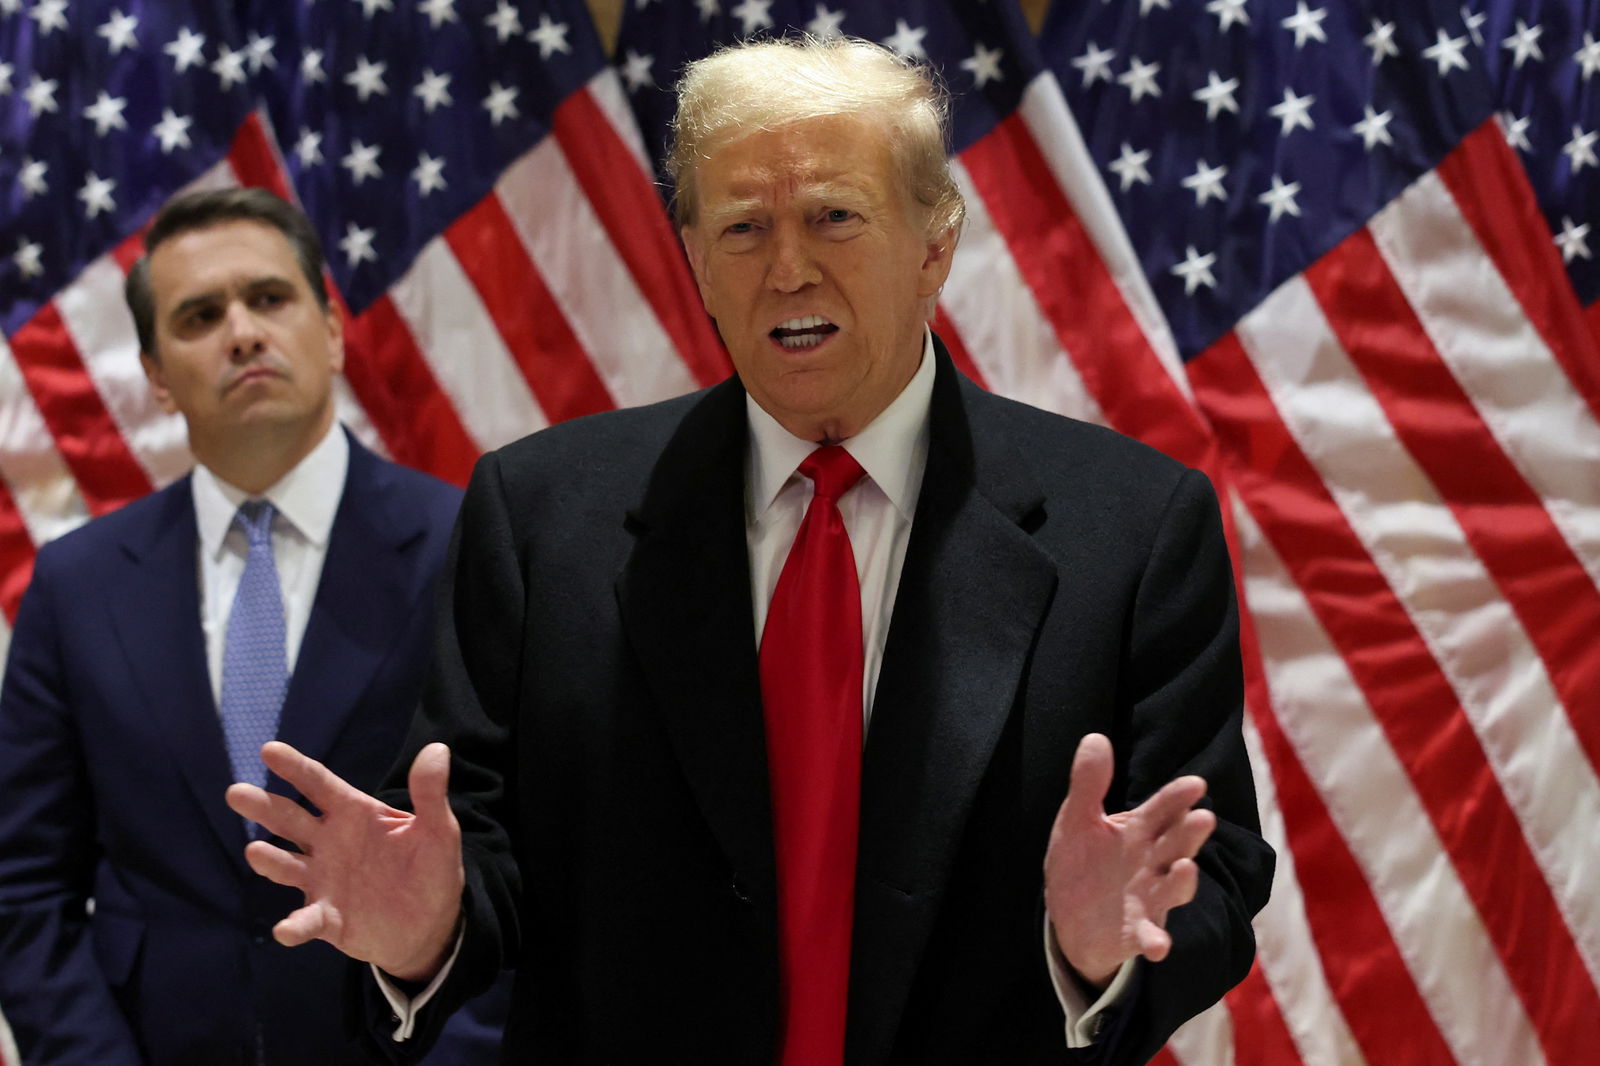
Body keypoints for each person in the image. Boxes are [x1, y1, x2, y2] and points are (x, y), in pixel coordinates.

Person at [229, 38, 1274, 1066]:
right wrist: (425, 934)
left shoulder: (1134, 526)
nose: (785, 268)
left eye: (833, 217)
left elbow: (1212, 867)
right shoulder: (541, 513)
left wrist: (1102, 952)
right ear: (694, 261)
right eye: (741, 227)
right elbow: (480, 842)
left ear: (934, 243)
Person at [0, 189, 505, 1065]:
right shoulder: (75, 585)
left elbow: (532, 852)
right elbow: (24, 884)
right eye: (199, 316)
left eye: (269, 298)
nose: (241, 332)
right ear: (156, 374)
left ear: (334, 330)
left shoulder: (469, 547)